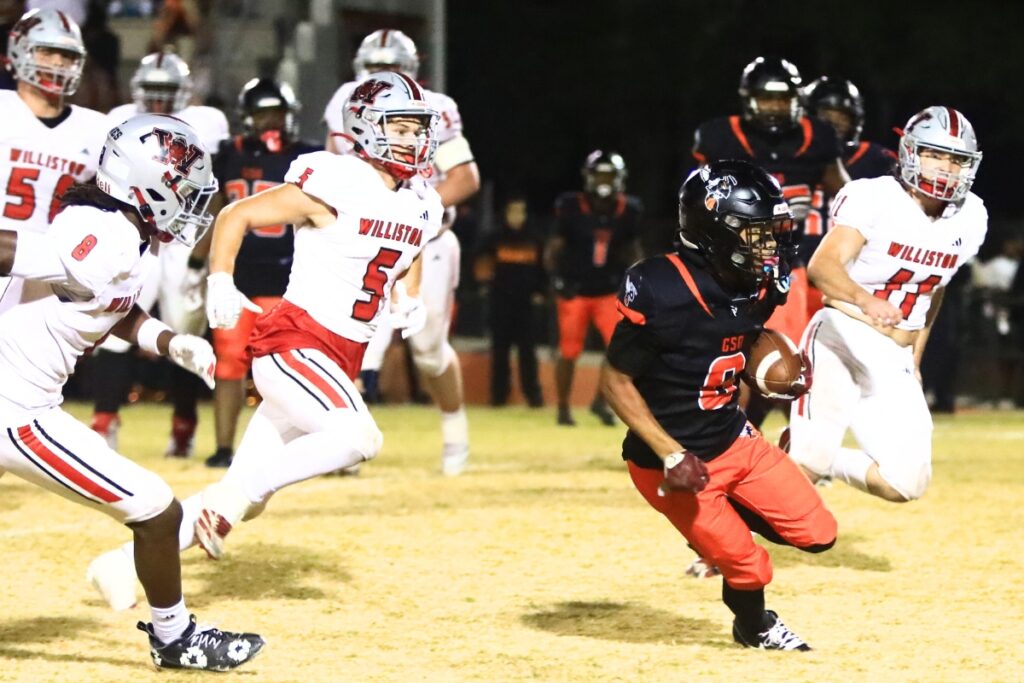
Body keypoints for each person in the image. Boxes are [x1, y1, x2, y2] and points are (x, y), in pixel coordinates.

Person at [87, 71, 445, 608]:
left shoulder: (421, 202)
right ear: (365, 126)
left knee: (247, 496)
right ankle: (233, 496)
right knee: (357, 438)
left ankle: (116, 564)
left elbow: (409, 248)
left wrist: (406, 296)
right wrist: (221, 278)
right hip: (296, 343)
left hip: (334, 356)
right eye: (400, 126)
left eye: (419, 128)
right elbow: (237, 214)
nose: (413, 139)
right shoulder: (337, 179)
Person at [0, 112, 264, 670]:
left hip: (21, 399)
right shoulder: (104, 237)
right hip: (15, 410)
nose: (192, 196)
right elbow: (38, 260)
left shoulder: (121, 232)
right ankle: (175, 638)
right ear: (141, 183)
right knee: (157, 512)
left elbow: (107, 306)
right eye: (182, 181)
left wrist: (169, 342)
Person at [601, 160, 835, 650]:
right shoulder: (664, 289)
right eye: (757, 233)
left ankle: (718, 526)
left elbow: (738, 336)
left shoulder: (760, 282)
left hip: (733, 438)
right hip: (671, 461)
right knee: (748, 565)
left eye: (772, 231)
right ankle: (756, 627)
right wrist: (671, 453)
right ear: (715, 232)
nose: (770, 244)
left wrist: (772, 368)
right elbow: (616, 380)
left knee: (819, 533)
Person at [788, 106, 987, 502]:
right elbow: (822, 267)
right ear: (911, 153)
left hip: (893, 354)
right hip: (843, 335)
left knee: (905, 484)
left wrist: (914, 357)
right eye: (935, 155)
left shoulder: (972, 216)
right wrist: (867, 300)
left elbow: (935, 288)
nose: (946, 168)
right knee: (805, 466)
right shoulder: (874, 196)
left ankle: (813, 458)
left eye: (957, 159)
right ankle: (716, 553)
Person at [323, 28, 480, 476]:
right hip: (367, 237)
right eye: (375, 69)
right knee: (352, 332)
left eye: (391, 69)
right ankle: (343, 445)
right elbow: (335, 168)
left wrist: (416, 213)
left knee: (428, 350)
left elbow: (465, 177)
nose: (383, 78)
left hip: (425, 239)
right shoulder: (345, 102)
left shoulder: (437, 108)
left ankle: (455, 437)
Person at [692, 56, 849, 432]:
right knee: (709, 353)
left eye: (782, 98)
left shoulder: (818, 139)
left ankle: (760, 436)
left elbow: (846, 194)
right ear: (749, 100)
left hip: (779, 268)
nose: (775, 107)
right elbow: (693, 197)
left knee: (779, 360)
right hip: (723, 267)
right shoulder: (719, 137)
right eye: (766, 98)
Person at [90, 46, 229, 457]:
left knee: (184, 334)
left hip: (182, 236)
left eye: (166, 90)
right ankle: (103, 423)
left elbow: (212, 193)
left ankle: (183, 426)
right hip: (136, 233)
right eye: (151, 89)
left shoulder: (206, 121)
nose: (158, 98)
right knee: (112, 326)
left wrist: (202, 253)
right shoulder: (118, 120)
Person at [197, 77, 321, 468]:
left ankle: (304, 446)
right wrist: (200, 263)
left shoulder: (309, 158)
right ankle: (222, 447)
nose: (271, 120)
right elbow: (215, 212)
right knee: (228, 362)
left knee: (292, 367)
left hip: (292, 276)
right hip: (239, 274)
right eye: (262, 112)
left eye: (278, 112)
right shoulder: (227, 155)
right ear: (246, 117)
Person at [0, 8, 107, 314]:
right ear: (19, 51)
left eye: (67, 55)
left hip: (48, 276)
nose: (59, 63)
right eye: (47, 52)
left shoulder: (98, 129)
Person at [548, 150, 642, 426]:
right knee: (568, 351)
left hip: (609, 291)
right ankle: (564, 408)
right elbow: (555, 247)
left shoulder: (629, 209)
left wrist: (638, 282)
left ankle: (601, 402)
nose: (603, 181)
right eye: (599, 175)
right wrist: (555, 278)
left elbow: (633, 251)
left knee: (618, 351)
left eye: (608, 175)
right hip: (574, 289)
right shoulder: (570, 206)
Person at [476, 194, 546, 407]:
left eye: (520, 211)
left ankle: (534, 397)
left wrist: (540, 292)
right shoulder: (493, 239)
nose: (517, 216)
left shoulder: (534, 239)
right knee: (499, 351)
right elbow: (482, 266)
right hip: (500, 303)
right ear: (505, 214)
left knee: (528, 352)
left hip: (525, 305)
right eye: (513, 211)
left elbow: (542, 270)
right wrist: (484, 285)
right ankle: (498, 397)